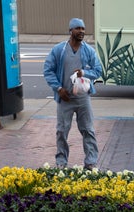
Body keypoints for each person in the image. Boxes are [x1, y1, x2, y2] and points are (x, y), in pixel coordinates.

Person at [43, 18, 103, 170]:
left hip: (83, 98)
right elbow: (48, 70)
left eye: (83, 28)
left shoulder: (88, 51)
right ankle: (61, 162)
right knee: (62, 131)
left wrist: (84, 72)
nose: (81, 31)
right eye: (78, 28)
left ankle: (91, 162)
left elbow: (98, 70)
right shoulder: (59, 50)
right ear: (70, 31)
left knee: (88, 130)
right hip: (65, 99)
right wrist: (58, 88)